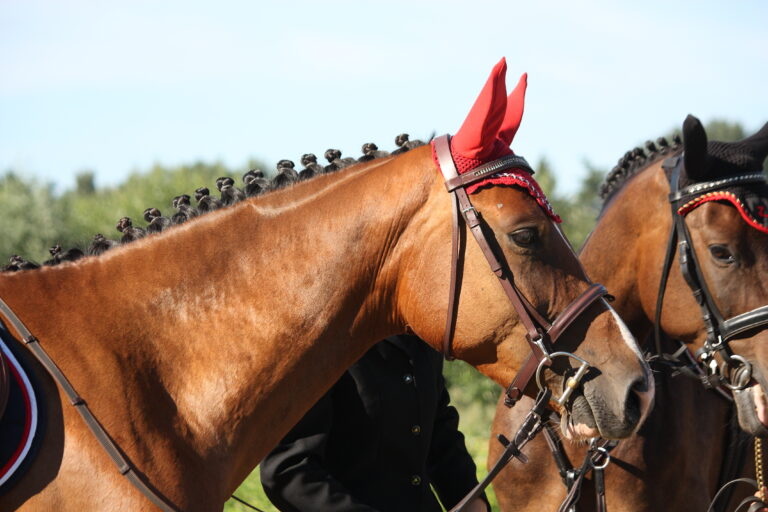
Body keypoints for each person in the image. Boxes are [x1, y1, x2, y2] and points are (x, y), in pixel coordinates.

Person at [260, 334, 490, 512]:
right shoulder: (322, 340)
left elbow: (439, 432)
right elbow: (287, 468)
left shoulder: (421, 339)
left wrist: (471, 501)